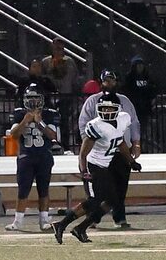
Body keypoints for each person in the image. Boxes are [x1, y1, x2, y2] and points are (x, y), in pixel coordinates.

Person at [57, 92, 136, 243]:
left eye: (109, 108)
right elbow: (83, 153)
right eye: (103, 109)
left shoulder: (123, 119)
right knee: (97, 201)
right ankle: (64, 225)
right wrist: (84, 171)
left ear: (118, 109)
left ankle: (76, 228)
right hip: (93, 165)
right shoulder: (96, 125)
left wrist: (131, 161)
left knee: (110, 201)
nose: (106, 112)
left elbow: (120, 142)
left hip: (104, 166)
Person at [4, 82, 57, 229]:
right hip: (26, 156)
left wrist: (40, 122)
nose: (33, 101)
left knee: (44, 189)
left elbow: (53, 135)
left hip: (44, 155)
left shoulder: (49, 114)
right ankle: (18, 221)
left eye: (36, 98)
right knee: (23, 189)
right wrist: (25, 121)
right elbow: (14, 135)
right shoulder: (19, 113)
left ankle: (44, 220)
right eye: (30, 98)